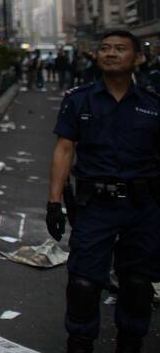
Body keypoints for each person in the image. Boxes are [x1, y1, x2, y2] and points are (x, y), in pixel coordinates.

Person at [47, 30, 160, 353]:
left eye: (120, 49)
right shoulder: (79, 99)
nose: (111, 53)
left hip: (145, 205)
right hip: (95, 205)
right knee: (83, 283)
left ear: (138, 58)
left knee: (137, 284)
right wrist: (54, 202)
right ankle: (80, 342)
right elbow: (64, 149)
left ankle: (130, 342)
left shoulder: (153, 102)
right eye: (105, 48)